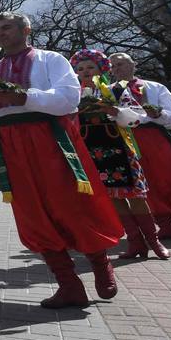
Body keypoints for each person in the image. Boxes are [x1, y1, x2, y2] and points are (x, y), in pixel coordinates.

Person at [0, 13, 123, 308]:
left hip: (50, 139)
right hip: (10, 144)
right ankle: (68, 283)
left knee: (72, 204)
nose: (0, 34)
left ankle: (100, 265)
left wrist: (24, 98)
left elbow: (68, 98)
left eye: (6, 27)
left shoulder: (51, 60)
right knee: (31, 212)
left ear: (26, 30)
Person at [69, 50, 166, 259]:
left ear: (101, 69)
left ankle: (154, 241)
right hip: (93, 151)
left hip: (120, 147)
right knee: (114, 199)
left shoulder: (116, 89)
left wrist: (115, 112)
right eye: (81, 69)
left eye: (90, 67)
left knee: (136, 196)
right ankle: (135, 242)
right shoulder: (73, 96)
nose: (85, 72)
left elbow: (137, 117)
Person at [107, 53, 171, 239]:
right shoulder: (107, 91)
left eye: (121, 64)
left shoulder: (154, 87)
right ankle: (164, 223)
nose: (117, 68)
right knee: (146, 181)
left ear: (133, 65)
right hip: (126, 139)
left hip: (154, 137)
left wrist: (157, 114)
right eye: (113, 66)